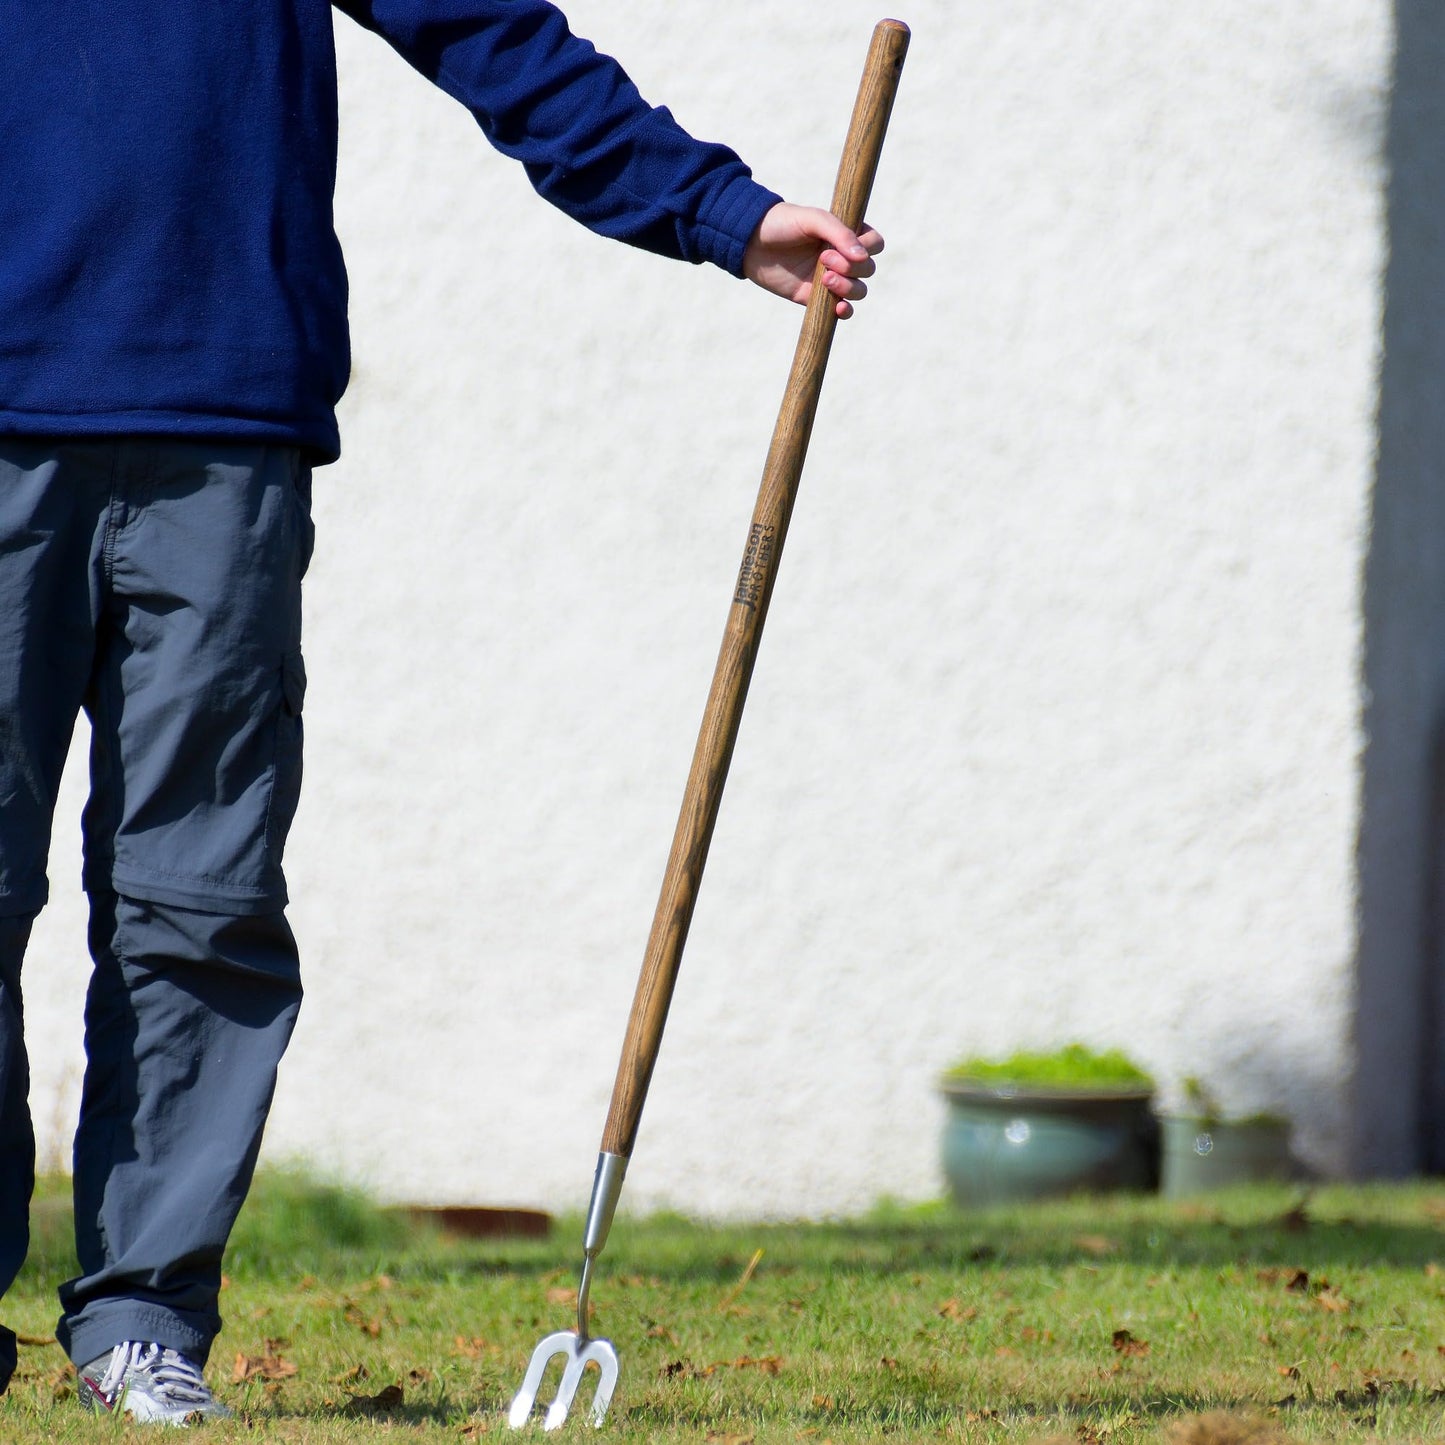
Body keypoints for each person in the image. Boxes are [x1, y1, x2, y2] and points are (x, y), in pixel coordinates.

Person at [0, 0, 883, 1424]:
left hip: (226, 426)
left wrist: (719, 212)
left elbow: (490, 32)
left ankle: (144, 1322)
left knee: (200, 900)